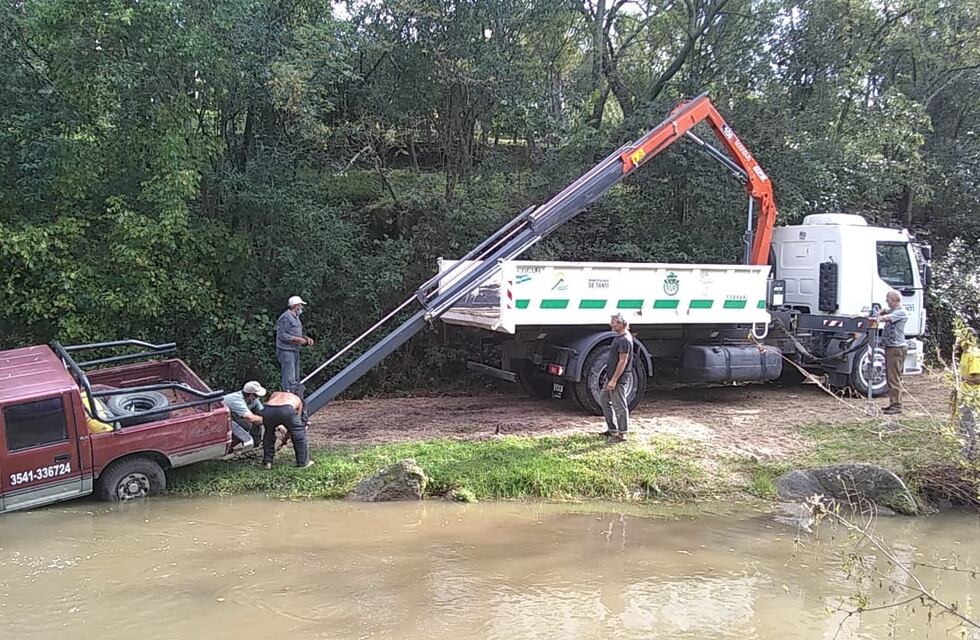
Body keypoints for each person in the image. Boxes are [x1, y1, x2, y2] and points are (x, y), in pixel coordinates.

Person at [599, 313, 634, 440]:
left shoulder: (624, 340)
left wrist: (614, 380)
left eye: (613, 322)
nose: (610, 324)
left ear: (621, 323)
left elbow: (623, 361)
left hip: (617, 379)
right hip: (611, 377)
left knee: (619, 405)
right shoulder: (619, 337)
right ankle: (612, 428)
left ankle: (622, 433)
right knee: (604, 400)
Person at [873, 290, 908, 415]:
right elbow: (885, 311)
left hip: (896, 349)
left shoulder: (901, 313)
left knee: (894, 378)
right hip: (892, 348)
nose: (886, 302)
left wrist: (877, 316)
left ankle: (897, 406)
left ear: (894, 300)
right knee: (890, 377)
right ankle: (893, 403)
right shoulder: (893, 310)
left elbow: (885, 318)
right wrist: (880, 310)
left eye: (888, 299)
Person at [261, 390, 314, 469]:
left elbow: (276, 413)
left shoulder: (275, 394)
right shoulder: (298, 399)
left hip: (268, 409)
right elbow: (296, 424)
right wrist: (286, 438)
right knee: (299, 433)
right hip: (286, 409)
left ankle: (267, 462)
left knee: (268, 434)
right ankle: (303, 462)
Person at [953, 320, 980, 461]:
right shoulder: (964, 354)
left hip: (972, 395)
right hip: (964, 394)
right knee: (964, 425)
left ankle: (971, 455)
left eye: (961, 338)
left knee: (971, 425)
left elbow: (977, 378)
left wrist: (962, 379)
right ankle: (966, 453)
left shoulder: (974, 355)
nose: (958, 341)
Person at [276, 295, 314, 393]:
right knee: (289, 378)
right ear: (295, 306)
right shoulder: (285, 317)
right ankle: (287, 396)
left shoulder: (296, 318)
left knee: (296, 378)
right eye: (301, 305)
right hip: (286, 351)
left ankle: (295, 397)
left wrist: (305, 338)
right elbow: (282, 335)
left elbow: (295, 332)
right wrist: (297, 339)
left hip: (295, 350)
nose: (302, 307)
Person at [221, 381, 267, 449]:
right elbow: (251, 418)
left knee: (253, 421)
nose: (258, 398)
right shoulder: (236, 400)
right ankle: (227, 447)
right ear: (251, 395)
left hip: (232, 417)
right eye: (257, 395)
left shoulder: (254, 400)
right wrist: (270, 421)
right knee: (246, 424)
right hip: (219, 420)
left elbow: (263, 413)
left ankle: (256, 444)